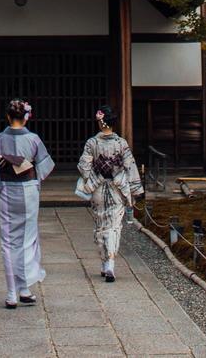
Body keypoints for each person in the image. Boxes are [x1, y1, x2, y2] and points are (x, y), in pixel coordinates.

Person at [0, 97, 55, 309]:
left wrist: (2, 164)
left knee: (7, 240)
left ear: (7, 116)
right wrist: (28, 167)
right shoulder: (33, 139)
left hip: (6, 189)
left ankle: (13, 291)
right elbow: (45, 165)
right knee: (28, 237)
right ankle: (24, 287)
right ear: (26, 118)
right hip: (29, 189)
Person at [76, 104, 143, 282]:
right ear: (113, 122)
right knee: (114, 225)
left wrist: (93, 176)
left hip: (98, 188)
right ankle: (110, 262)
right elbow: (130, 166)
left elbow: (83, 166)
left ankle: (105, 262)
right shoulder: (122, 144)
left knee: (101, 224)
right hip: (117, 188)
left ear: (100, 123)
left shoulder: (92, 143)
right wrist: (136, 190)